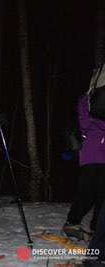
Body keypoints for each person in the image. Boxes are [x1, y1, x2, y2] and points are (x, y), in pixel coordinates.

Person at [63, 92, 105, 240]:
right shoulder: (89, 119)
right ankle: (72, 222)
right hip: (91, 158)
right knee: (86, 192)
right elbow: (83, 119)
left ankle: (97, 228)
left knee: (102, 196)